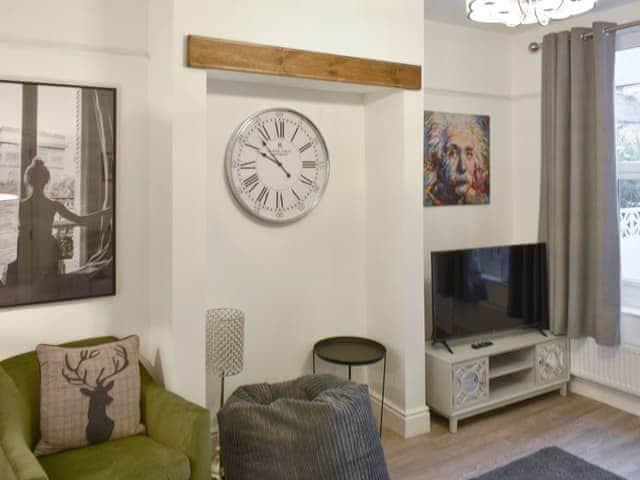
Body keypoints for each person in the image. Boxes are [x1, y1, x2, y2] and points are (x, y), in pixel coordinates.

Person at [15, 157, 111, 284]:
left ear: (29, 181)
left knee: (28, 289)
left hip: (26, 250)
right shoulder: (53, 205)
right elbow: (81, 220)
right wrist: (106, 212)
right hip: (44, 250)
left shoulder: (20, 205)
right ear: (46, 181)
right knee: (48, 289)